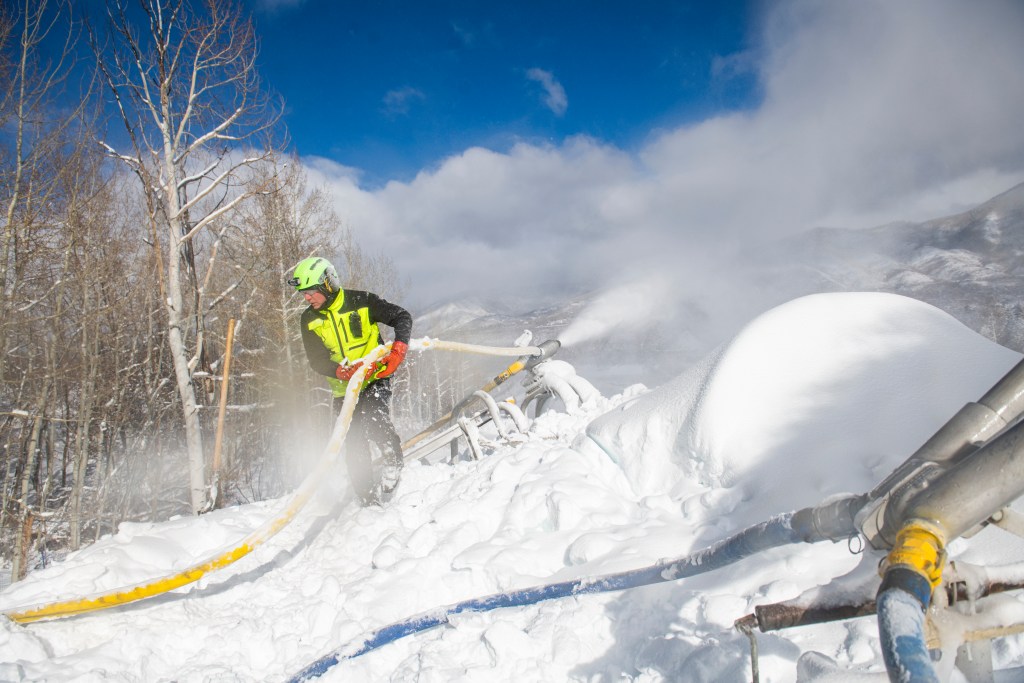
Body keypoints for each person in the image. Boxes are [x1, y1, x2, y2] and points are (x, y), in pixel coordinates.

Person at [288, 256, 413, 505]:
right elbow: (316, 359)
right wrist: (339, 372)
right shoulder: (309, 320)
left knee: (374, 418)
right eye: (304, 293)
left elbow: (402, 317)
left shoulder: (362, 301)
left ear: (327, 284)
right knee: (354, 442)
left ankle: (393, 461)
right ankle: (366, 498)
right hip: (343, 389)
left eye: (311, 291)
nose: (307, 298)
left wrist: (398, 350)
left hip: (374, 378)